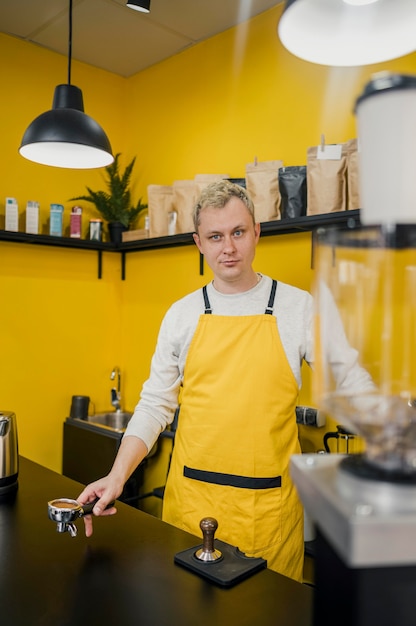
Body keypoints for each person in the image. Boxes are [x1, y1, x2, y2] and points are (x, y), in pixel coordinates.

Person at [77, 180, 373, 582]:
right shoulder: (181, 315)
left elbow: (351, 382)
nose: (228, 248)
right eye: (215, 236)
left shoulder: (300, 308)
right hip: (189, 506)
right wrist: (117, 475)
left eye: (238, 232)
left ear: (256, 233)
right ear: (199, 243)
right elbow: (154, 405)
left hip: (267, 512)